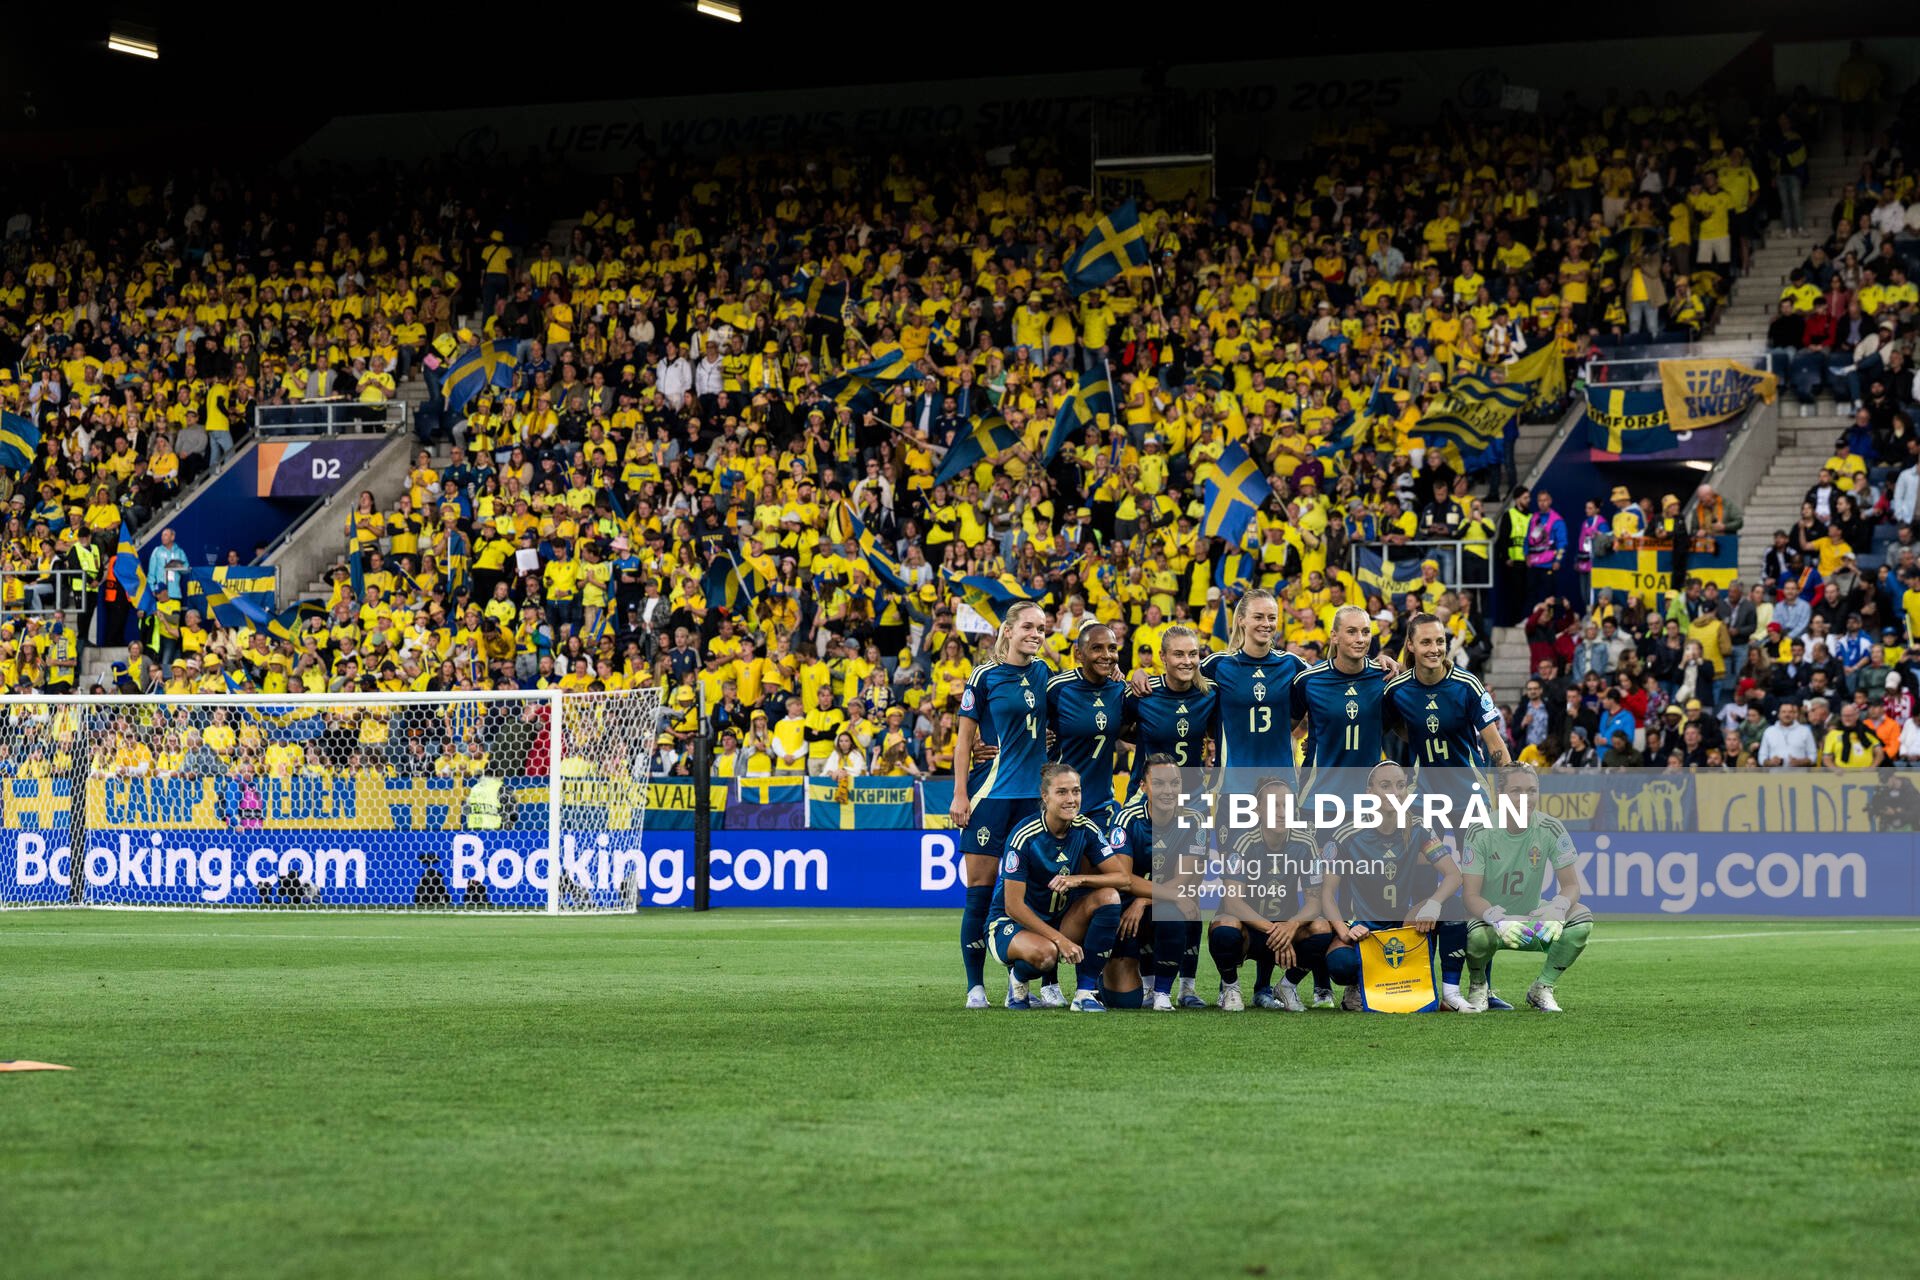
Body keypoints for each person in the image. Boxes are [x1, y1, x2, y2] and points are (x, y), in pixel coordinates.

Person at [1385, 611, 1515, 1000]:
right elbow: (1393, 725)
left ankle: (1481, 985)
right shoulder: (1397, 690)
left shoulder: (1467, 685)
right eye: (1425, 642)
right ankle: (1422, 983)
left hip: (1470, 796)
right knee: (1421, 884)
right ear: (1410, 645)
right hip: (1425, 796)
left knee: (1481, 890)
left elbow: (1496, 748)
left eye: (1440, 641)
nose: (1434, 649)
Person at [949, 601, 1053, 1010]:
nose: (1036, 633)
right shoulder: (984, 676)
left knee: (1037, 893)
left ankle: (1031, 981)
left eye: (1041, 628)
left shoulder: (1046, 674)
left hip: (1035, 799)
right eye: (1028, 626)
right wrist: (959, 793)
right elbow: (963, 741)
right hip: (991, 796)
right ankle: (975, 986)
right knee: (980, 893)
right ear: (1007, 631)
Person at [1119, 625, 1219, 1007]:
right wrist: (1131, 676)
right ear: (1163, 657)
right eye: (1178, 654)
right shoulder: (1142, 693)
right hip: (1142, 803)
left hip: (1190, 805)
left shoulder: (1210, 694)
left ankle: (1187, 986)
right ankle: (1147, 982)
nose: (1187, 661)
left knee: (1187, 894)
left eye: (1193, 654)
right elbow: (1110, 718)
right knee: (1141, 890)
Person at [1320, 760, 1469, 1011]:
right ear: (1370, 793)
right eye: (1385, 785)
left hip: (1403, 928)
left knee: (1454, 907)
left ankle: (1451, 993)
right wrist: (1345, 931)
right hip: (1364, 931)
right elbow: (1327, 895)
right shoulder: (1348, 833)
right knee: (1340, 963)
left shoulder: (1418, 827)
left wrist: (1431, 904)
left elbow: (1454, 875)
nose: (1395, 792)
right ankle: (1357, 986)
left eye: (1400, 785)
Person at [984, 764, 1125, 1013]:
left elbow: (1121, 877)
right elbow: (1012, 906)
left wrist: (1079, 879)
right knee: (1047, 956)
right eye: (1062, 792)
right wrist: (1060, 941)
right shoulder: (1024, 836)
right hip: (1010, 923)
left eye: (1076, 791)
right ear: (1045, 796)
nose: (1071, 799)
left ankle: (1085, 993)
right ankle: (1017, 979)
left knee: (1109, 897)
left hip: (1057, 920)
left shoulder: (1086, 828)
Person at [1461, 764, 1593, 1013]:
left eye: (1532, 790)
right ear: (1500, 794)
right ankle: (1478, 986)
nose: (1525, 798)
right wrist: (1497, 919)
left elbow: (1572, 885)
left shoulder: (1551, 828)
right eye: (1516, 791)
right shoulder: (1480, 830)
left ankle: (1542, 988)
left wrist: (1557, 908)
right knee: (1476, 936)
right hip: (1491, 923)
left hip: (1532, 918)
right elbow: (1470, 895)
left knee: (1582, 920)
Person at [1208, 776, 1336, 1013]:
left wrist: (1292, 925)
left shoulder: (1305, 843)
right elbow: (1232, 902)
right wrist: (1275, 930)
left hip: (1284, 928)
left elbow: (1314, 902)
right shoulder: (1242, 841)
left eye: (1286, 805)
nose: (1281, 812)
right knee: (1225, 925)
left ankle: (1287, 987)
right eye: (1274, 805)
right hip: (1251, 931)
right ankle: (1230, 987)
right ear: (1258, 810)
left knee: (1321, 928)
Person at [1104, 753, 1205, 1011]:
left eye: (1174, 783)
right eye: (1159, 783)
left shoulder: (1194, 819)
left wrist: (1145, 898)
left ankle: (1162, 992)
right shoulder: (1126, 820)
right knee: (1123, 1003)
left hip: (1164, 900)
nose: (1168, 790)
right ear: (1143, 786)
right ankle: (1108, 975)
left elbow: (1185, 879)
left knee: (1178, 908)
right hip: (1127, 909)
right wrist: (1137, 900)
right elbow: (1124, 880)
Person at [1292, 604, 1393, 778]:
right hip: (1318, 793)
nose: (1360, 639)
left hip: (1369, 792)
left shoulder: (1384, 678)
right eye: (1352, 632)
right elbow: (1283, 729)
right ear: (1334, 636)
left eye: (1366, 632)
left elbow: (1396, 726)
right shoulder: (1309, 680)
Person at [1045, 623, 1126, 826]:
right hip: (1063, 802)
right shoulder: (1059, 688)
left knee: (1113, 858)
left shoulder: (1120, 690)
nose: (1106, 655)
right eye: (1097, 648)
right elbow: (1023, 723)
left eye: (1112, 648)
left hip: (1102, 803)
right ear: (1079, 653)